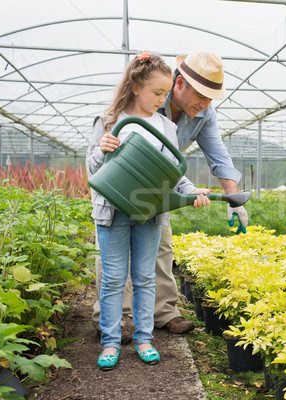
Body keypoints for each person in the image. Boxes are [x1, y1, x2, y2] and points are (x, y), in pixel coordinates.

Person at [90, 49, 248, 339]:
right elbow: (100, 156)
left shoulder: (201, 114)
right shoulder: (146, 101)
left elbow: (217, 156)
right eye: (201, 95)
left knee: (161, 246)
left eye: (210, 98)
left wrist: (233, 200)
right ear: (179, 85)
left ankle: (163, 312)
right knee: (114, 259)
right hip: (121, 188)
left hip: (157, 185)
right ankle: (116, 319)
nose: (205, 104)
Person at [86, 51, 210, 371]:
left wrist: (189, 190)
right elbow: (93, 168)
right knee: (114, 278)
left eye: (165, 94)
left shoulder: (166, 126)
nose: (161, 99)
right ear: (136, 86)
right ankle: (111, 342)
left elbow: (173, 171)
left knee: (144, 277)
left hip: (149, 210)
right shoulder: (110, 120)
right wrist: (102, 150)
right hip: (112, 210)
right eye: (156, 92)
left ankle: (144, 338)